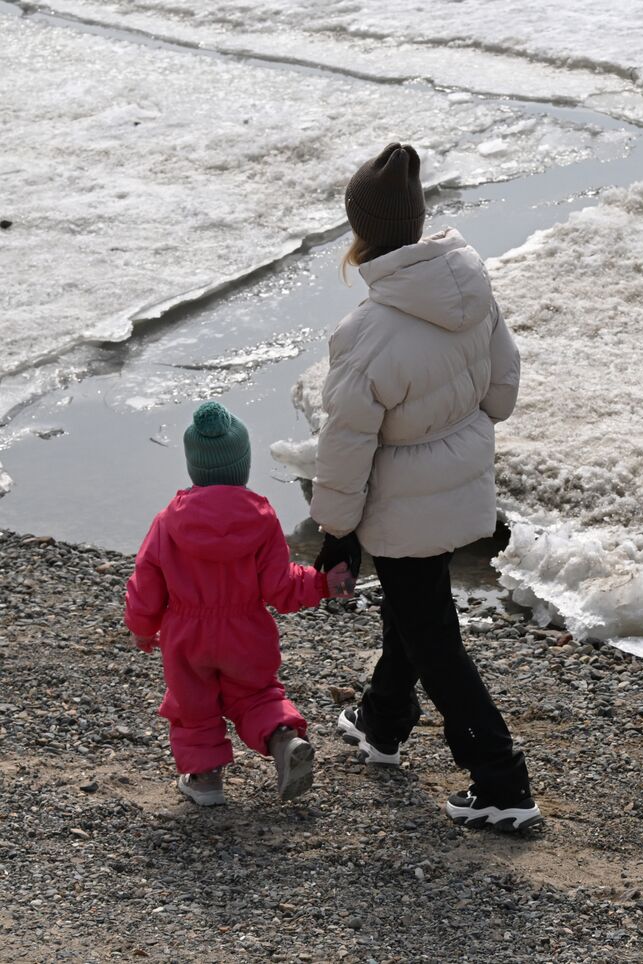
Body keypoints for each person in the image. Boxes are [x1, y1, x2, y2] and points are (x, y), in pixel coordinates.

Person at [311, 142, 541, 832]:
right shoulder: (470, 289)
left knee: (433, 634)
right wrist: (451, 429)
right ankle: (384, 721)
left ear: (362, 234)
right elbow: (501, 388)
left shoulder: (368, 332)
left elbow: (347, 446)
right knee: (416, 611)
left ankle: (501, 777)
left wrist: (336, 533)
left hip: (402, 500)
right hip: (458, 480)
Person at [124, 401, 355, 807]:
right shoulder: (262, 518)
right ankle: (283, 739)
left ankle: (205, 781)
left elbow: (146, 583)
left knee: (192, 706)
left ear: (195, 467)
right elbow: (281, 588)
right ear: (243, 466)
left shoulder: (168, 522)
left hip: (187, 635)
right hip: (246, 631)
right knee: (256, 695)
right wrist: (321, 584)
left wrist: (143, 628)